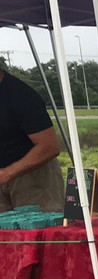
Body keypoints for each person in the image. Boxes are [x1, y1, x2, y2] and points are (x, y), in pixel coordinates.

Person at [0, 68, 63, 214]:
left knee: (38, 232)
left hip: (32, 176)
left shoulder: (21, 95)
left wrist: (7, 173)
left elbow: (49, 147)